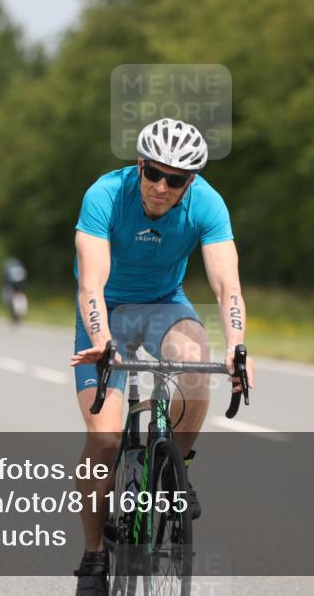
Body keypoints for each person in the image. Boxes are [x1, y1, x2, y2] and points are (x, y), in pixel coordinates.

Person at [70, 117, 256, 594]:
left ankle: (176, 467)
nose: (161, 186)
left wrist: (238, 347)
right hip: (106, 309)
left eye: (175, 180)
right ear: (139, 165)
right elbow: (90, 280)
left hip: (164, 304)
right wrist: (102, 336)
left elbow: (226, 284)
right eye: (153, 173)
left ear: (189, 181)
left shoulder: (208, 204)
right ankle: (94, 557)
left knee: (197, 366)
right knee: (106, 442)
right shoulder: (105, 195)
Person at [0, 257, 28, 323]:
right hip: (19, 287)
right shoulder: (20, 269)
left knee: (11, 300)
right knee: (17, 300)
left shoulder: (10, 269)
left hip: (12, 287)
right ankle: (18, 314)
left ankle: (15, 314)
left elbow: (6, 280)